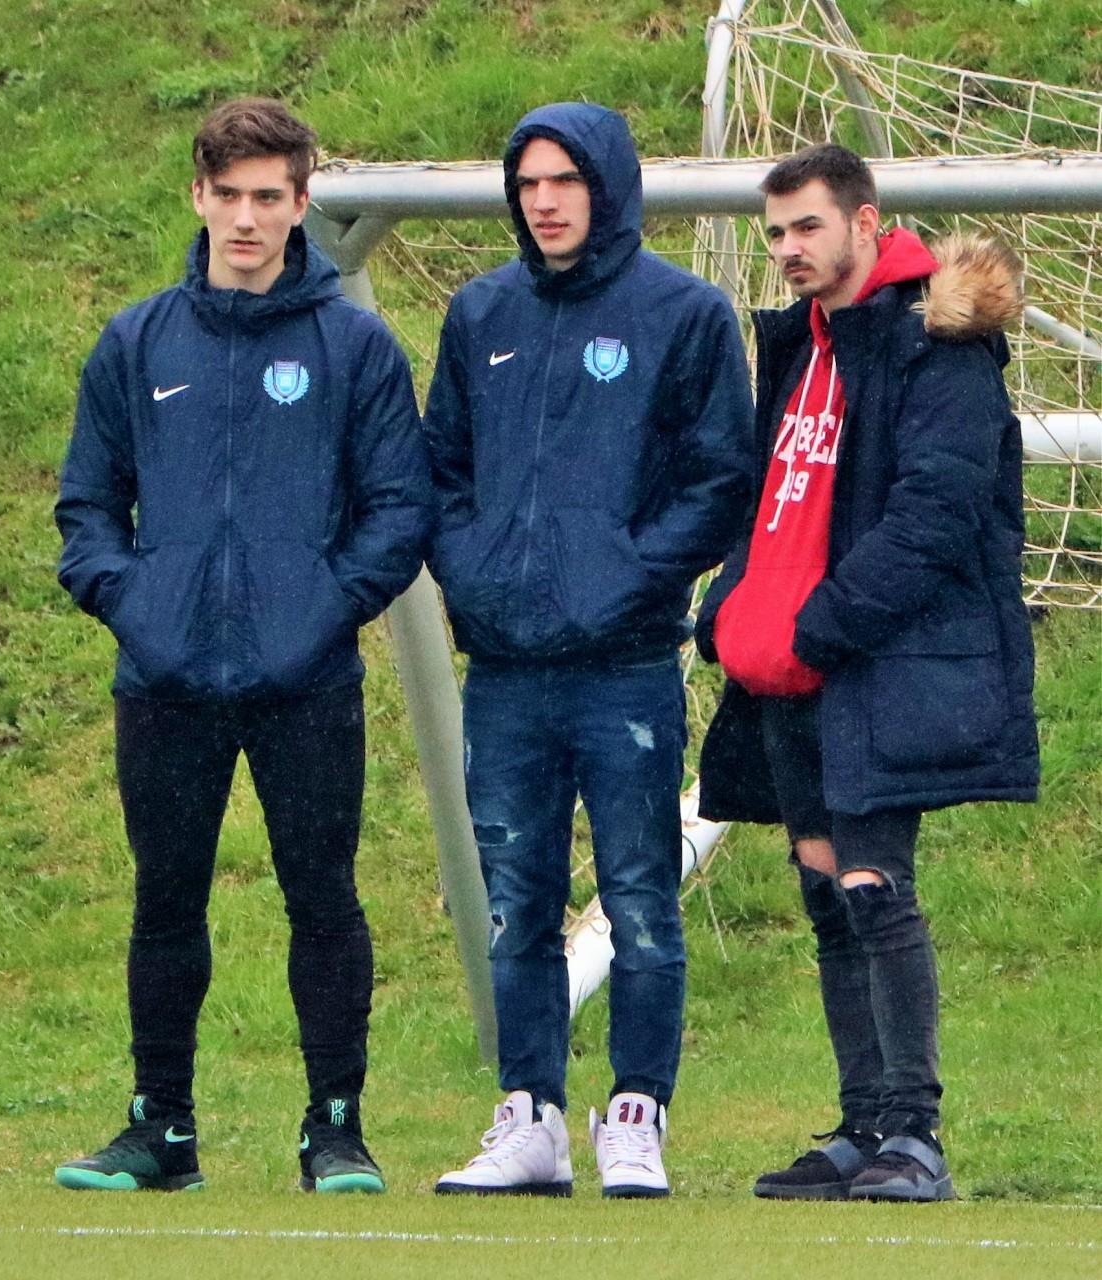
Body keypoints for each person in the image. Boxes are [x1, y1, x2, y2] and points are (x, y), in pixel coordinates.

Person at [52, 97, 432, 1194]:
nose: (248, 218)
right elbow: (86, 511)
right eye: (229, 196)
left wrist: (321, 609)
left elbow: (397, 510)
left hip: (305, 679)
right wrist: (141, 609)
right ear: (199, 196)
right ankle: (160, 1129)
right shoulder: (135, 342)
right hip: (165, 678)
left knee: (323, 897)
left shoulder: (353, 345)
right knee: (166, 899)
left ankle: (335, 1128)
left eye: (270, 196)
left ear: (302, 203)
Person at [695, 143, 1039, 1203]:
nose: (788, 250)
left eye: (807, 226)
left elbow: (936, 515)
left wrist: (822, 624)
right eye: (775, 233)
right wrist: (731, 607)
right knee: (824, 893)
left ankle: (915, 1134)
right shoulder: (800, 347)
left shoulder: (937, 344)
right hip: (790, 671)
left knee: (874, 888)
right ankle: (861, 1125)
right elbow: (775, 499)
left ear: (864, 221)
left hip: (875, 660)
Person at [423, 102, 753, 1199]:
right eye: (527, 184)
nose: (545, 201)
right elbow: (441, 473)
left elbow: (719, 480)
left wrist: (625, 577)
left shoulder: (685, 314)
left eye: (564, 180)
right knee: (514, 900)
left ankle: (636, 1114)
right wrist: (475, 579)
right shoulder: (480, 313)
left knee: (639, 893)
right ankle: (529, 1117)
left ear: (607, 185)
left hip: (625, 665)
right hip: (507, 669)